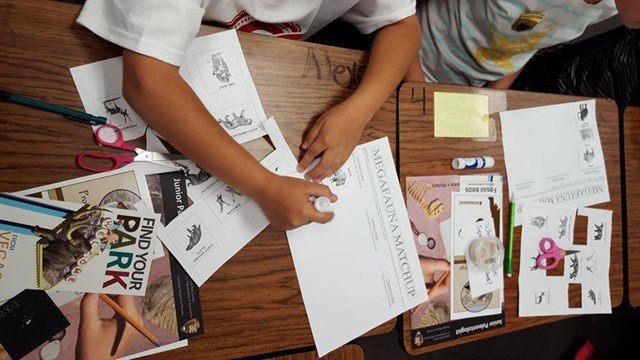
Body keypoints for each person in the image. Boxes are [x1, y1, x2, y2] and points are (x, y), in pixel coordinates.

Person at [76, 1, 420, 230]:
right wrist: (264, 186)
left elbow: (403, 24)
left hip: (258, 72)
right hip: (119, 58)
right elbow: (146, 82)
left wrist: (360, 109)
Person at [404, 0, 640, 89]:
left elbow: (529, 39)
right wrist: (418, 91)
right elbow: (397, 11)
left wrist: (492, 101)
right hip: (403, 60)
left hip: (468, 93)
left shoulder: (616, 6)